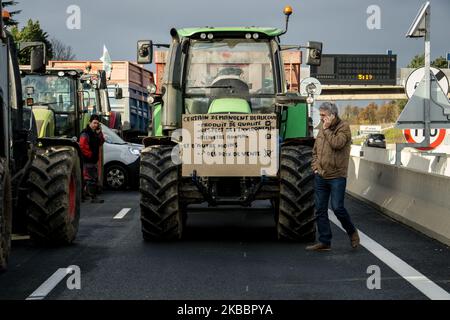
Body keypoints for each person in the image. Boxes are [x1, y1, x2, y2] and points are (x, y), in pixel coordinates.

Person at [307, 102, 360, 251]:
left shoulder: (343, 127)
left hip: (337, 176)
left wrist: (327, 130)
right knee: (320, 210)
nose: (322, 118)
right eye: (321, 115)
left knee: (337, 208)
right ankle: (325, 241)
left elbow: (337, 144)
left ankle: (352, 232)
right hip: (321, 176)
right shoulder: (321, 129)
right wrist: (315, 167)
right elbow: (315, 151)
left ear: (332, 115)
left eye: (324, 115)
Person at [79, 114, 105, 203]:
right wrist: (90, 155)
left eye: (97, 123)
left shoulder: (95, 133)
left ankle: (83, 197)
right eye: (94, 123)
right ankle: (93, 197)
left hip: (93, 160)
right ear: (90, 122)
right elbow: (82, 146)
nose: (95, 125)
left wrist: (99, 133)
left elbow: (101, 142)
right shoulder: (85, 133)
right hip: (88, 160)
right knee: (91, 179)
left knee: (88, 179)